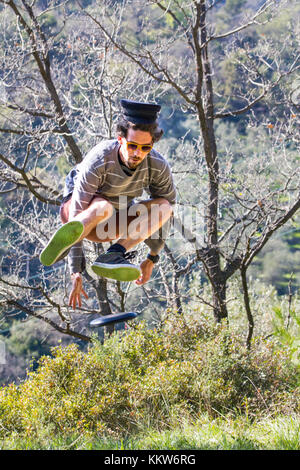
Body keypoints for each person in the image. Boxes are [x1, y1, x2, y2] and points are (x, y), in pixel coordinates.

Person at [40, 99, 176, 309]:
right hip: (78, 214)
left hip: (110, 224)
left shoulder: (156, 165)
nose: (137, 153)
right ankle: (63, 244)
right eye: (132, 146)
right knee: (102, 206)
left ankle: (114, 254)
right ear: (120, 139)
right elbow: (76, 211)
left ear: (152, 145)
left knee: (165, 206)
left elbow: (165, 213)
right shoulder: (99, 158)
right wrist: (76, 269)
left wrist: (152, 258)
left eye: (145, 148)